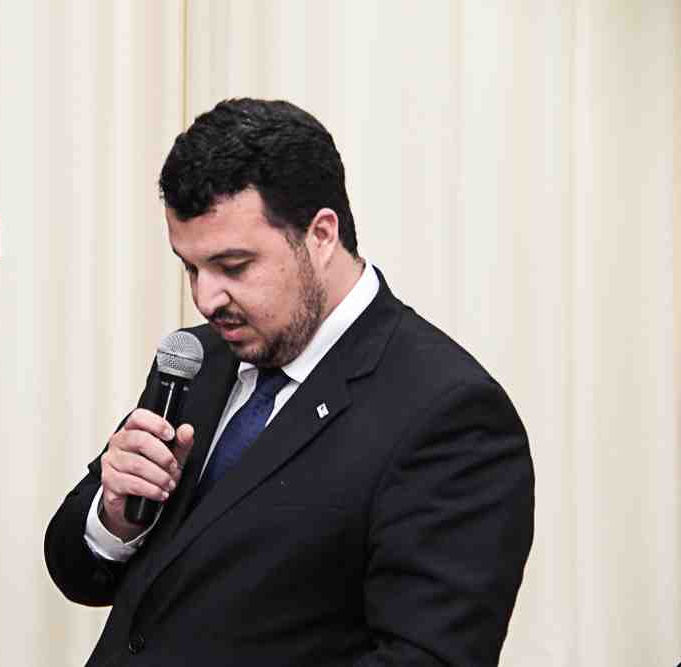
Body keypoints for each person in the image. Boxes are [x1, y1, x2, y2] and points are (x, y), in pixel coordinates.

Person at [45, 98, 534, 666]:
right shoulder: (197, 358)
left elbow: (425, 658)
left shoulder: (450, 414)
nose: (205, 298)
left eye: (233, 267)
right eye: (190, 267)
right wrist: (114, 517)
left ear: (321, 235)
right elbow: (77, 570)